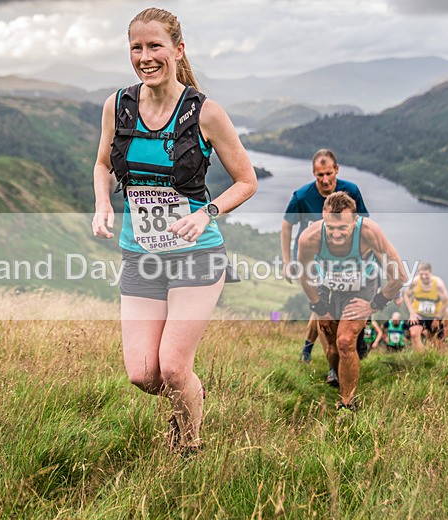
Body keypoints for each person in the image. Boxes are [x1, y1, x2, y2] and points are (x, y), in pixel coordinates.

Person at [92, 8, 256, 456]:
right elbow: (103, 164)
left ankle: (189, 445)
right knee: (144, 373)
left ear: (177, 50)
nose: (145, 57)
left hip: (196, 255)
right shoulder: (118, 105)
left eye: (155, 46)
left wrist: (207, 213)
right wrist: (103, 203)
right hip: (140, 256)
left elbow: (247, 180)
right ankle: (193, 397)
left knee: (174, 366)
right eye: (137, 48)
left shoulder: (205, 113)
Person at [297, 192, 408, 410]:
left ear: (355, 221)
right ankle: (340, 375)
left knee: (345, 341)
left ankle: (347, 403)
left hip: (362, 287)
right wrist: (318, 307)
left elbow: (400, 276)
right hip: (327, 287)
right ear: (323, 218)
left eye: (342, 228)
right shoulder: (309, 238)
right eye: (330, 227)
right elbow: (304, 275)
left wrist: (374, 304)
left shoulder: (369, 232)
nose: (335, 235)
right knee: (331, 345)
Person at [281, 149, 370, 384]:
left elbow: (366, 224)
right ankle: (330, 364)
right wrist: (287, 260)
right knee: (321, 307)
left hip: (346, 262)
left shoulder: (351, 191)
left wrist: (366, 258)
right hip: (314, 262)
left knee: (320, 307)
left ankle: (310, 350)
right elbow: (286, 224)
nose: (325, 179)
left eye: (329, 173)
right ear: (314, 173)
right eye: (319, 175)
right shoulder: (301, 196)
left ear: (336, 170)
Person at [403, 262, 448, 350]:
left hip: (434, 315)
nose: (424, 277)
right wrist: (412, 312)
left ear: (430, 273)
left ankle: (435, 358)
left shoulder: (438, 284)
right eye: (421, 274)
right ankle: (420, 358)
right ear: (418, 273)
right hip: (419, 314)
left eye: (426, 274)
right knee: (414, 333)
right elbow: (406, 295)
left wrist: (437, 318)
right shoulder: (415, 282)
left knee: (435, 342)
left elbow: (445, 301)